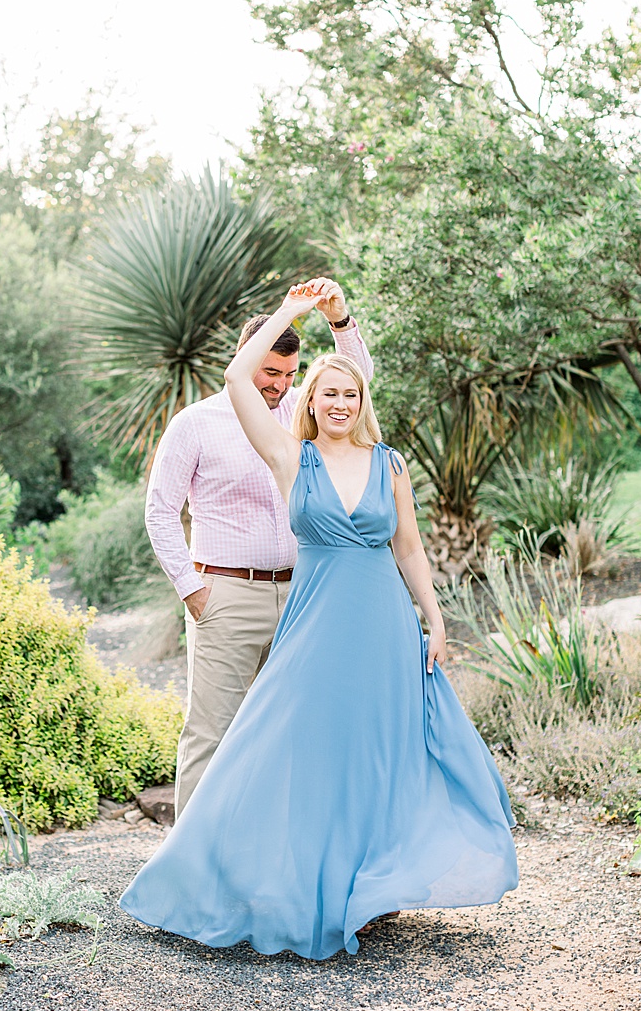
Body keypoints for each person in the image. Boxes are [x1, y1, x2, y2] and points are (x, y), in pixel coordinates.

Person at [120, 281, 518, 959]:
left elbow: (410, 544)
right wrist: (291, 310)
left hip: (375, 620)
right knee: (244, 740)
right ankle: (205, 878)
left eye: (349, 394)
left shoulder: (385, 461)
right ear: (309, 400)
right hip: (278, 607)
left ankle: (369, 885)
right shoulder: (284, 450)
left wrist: (436, 617)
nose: (337, 400)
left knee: (372, 746)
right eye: (323, 392)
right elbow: (235, 379)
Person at [144, 279, 372, 818]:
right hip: (224, 595)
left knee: (299, 728)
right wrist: (192, 591)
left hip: (301, 595)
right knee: (212, 733)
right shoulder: (194, 424)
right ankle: (190, 874)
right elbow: (159, 511)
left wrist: (339, 320)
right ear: (245, 361)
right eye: (269, 373)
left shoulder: (303, 416)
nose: (279, 386)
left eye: (290, 375)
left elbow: (355, 386)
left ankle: (281, 860)